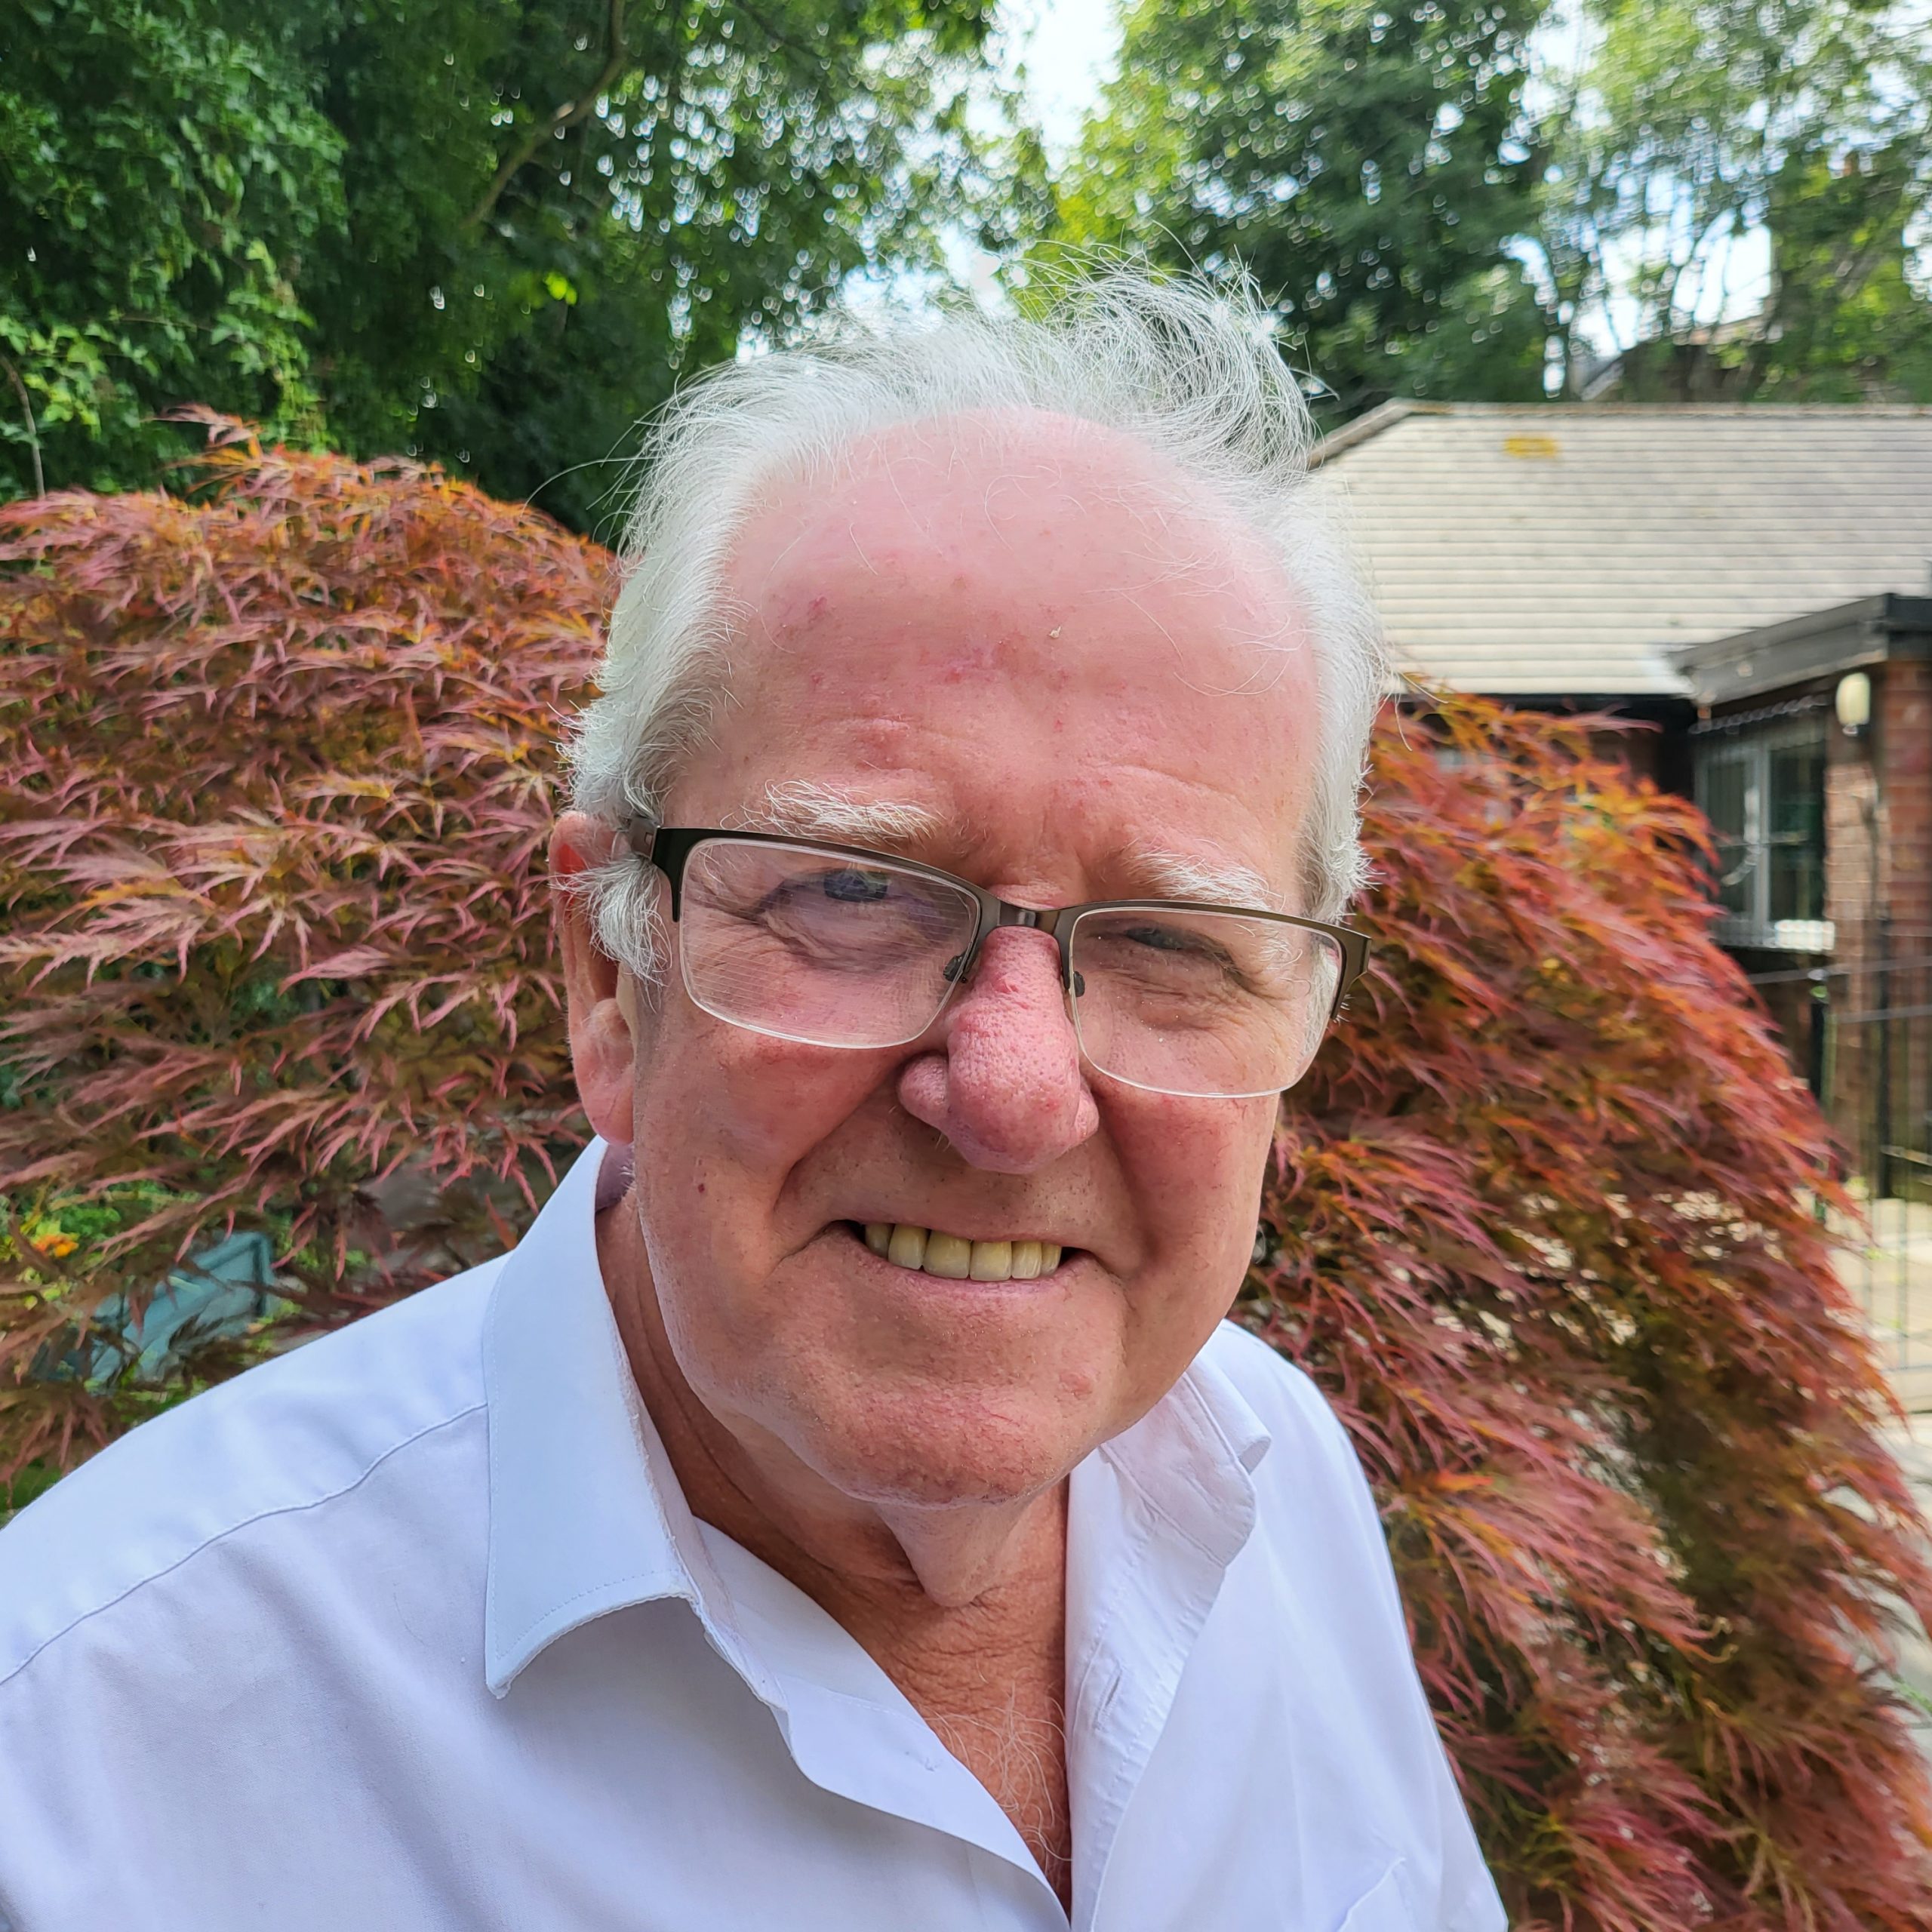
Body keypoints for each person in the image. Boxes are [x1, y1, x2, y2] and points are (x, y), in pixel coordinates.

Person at [0, 274, 1504, 1931]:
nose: (1009, 1091)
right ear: (604, 973)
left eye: (1168, 940)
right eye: (855, 895)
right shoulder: (84, 1755)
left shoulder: (1277, 1470)